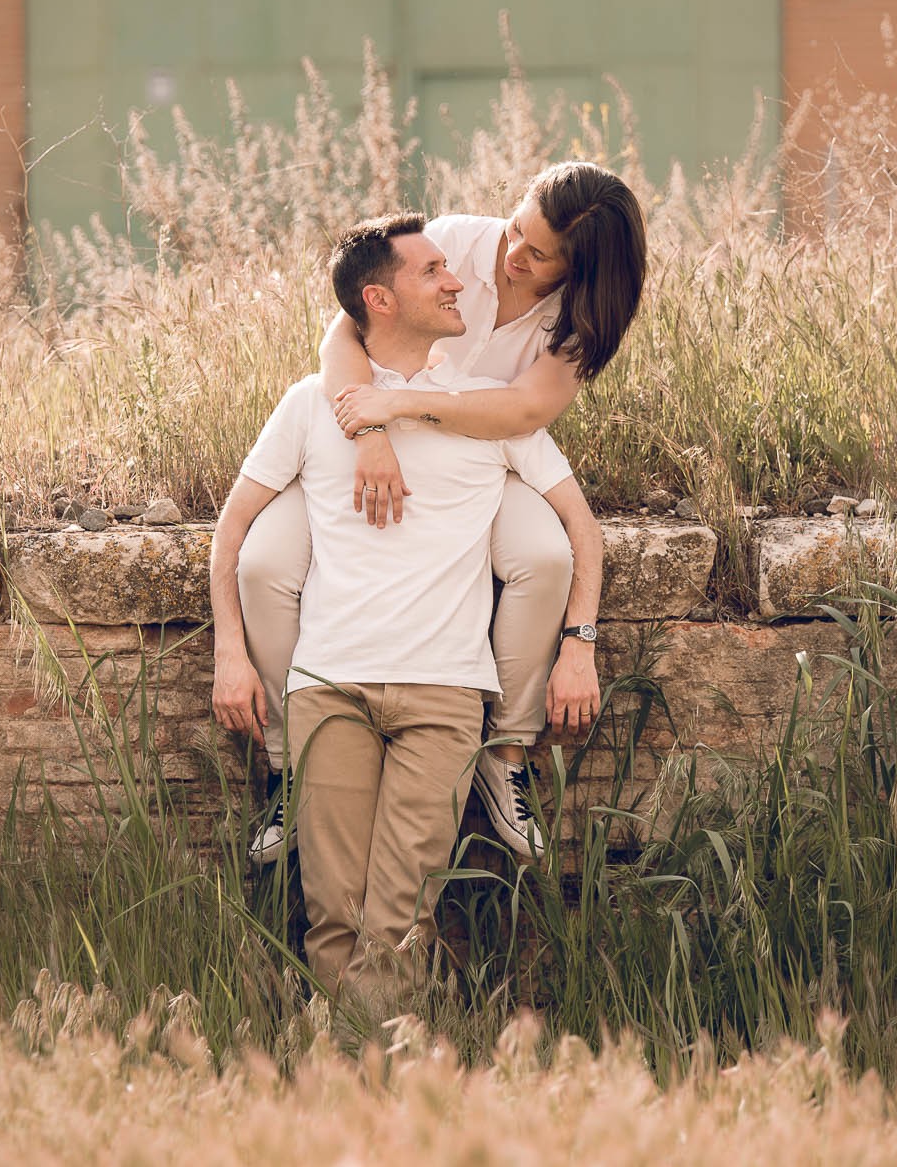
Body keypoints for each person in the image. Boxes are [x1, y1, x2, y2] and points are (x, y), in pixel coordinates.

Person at [209, 213, 604, 1000]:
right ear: (380, 301)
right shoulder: (310, 406)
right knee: (331, 916)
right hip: (328, 688)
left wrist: (577, 644)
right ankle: (360, 1091)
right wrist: (230, 652)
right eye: (432, 273)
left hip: (443, 695)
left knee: (397, 921)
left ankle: (365, 1087)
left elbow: (580, 534)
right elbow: (234, 533)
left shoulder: (487, 407)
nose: (457, 278)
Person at [238, 161, 646, 863]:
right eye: (518, 227)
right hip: (365, 437)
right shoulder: (452, 239)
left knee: (544, 557)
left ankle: (505, 752)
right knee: (265, 563)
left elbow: (524, 409)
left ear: (580, 271)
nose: (512, 252)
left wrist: (412, 405)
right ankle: (288, 764)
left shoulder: (579, 318)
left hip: (485, 455)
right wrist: (369, 430)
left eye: (538, 252)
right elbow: (343, 336)